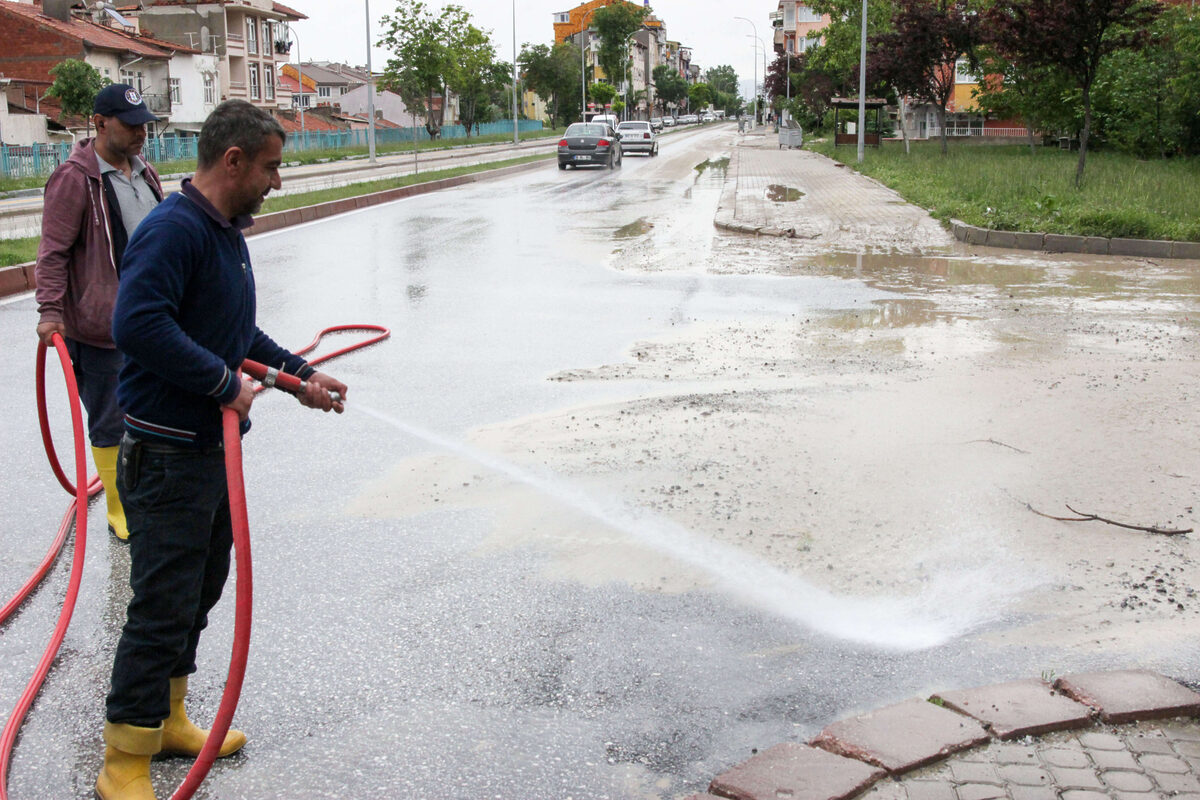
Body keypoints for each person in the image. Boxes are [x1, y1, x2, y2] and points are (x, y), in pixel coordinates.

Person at [96, 100, 348, 800]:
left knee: (197, 594)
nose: (277, 180)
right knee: (160, 606)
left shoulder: (222, 232)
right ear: (233, 160)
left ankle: (169, 718)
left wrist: (298, 377)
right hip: (169, 455)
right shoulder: (174, 231)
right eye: (270, 166)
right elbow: (136, 323)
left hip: (207, 453)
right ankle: (123, 760)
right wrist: (219, 383)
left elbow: (233, 329)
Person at [35, 83, 164, 541]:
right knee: (112, 418)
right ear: (100, 123)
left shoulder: (144, 171)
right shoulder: (74, 179)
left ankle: (145, 495)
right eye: (130, 126)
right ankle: (119, 509)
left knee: (152, 411)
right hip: (100, 328)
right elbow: (52, 253)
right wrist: (51, 311)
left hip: (152, 320)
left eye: (144, 125)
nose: (140, 134)